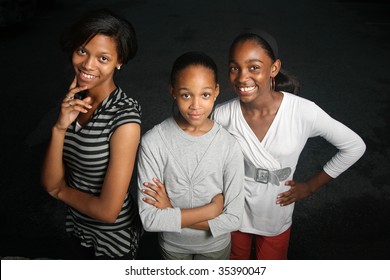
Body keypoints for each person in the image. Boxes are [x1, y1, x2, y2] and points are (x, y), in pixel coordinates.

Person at [212, 30, 366, 260]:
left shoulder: (303, 112)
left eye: (254, 67)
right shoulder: (222, 115)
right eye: (235, 67)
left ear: (274, 68)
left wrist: (311, 186)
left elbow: (354, 146)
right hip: (233, 212)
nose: (242, 77)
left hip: (276, 214)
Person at [41, 9, 142, 259]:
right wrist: (59, 128)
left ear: (120, 62)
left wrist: (60, 191)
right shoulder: (76, 99)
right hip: (77, 227)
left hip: (112, 240)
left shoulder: (124, 119)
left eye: (103, 58)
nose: (87, 65)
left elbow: (108, 211)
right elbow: (49, 180)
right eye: (82, 51)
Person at [137, 51, 244, 260]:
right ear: (173, 91)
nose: (195, 106)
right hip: (173, 245)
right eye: (186, 94)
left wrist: (170, 210)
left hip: (215, 246)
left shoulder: (228, 145)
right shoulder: (153, 142)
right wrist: (211, 211)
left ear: (216, 91)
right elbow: (150, 220)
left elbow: (233, 220)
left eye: (204, 95)